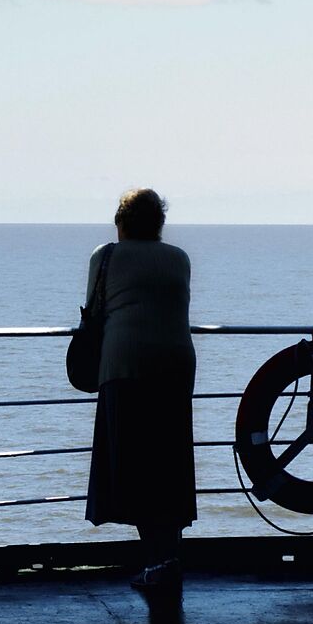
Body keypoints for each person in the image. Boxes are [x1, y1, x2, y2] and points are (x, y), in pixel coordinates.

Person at [84, 188, 197, 590]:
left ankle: (156, 563)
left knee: (136, 469)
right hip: (176, 368)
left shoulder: (106, 256)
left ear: (121, 223)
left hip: (126, 367)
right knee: (169, 466)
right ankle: (169, 558)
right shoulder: (179, 258)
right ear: (159, 224)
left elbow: (93, 312)